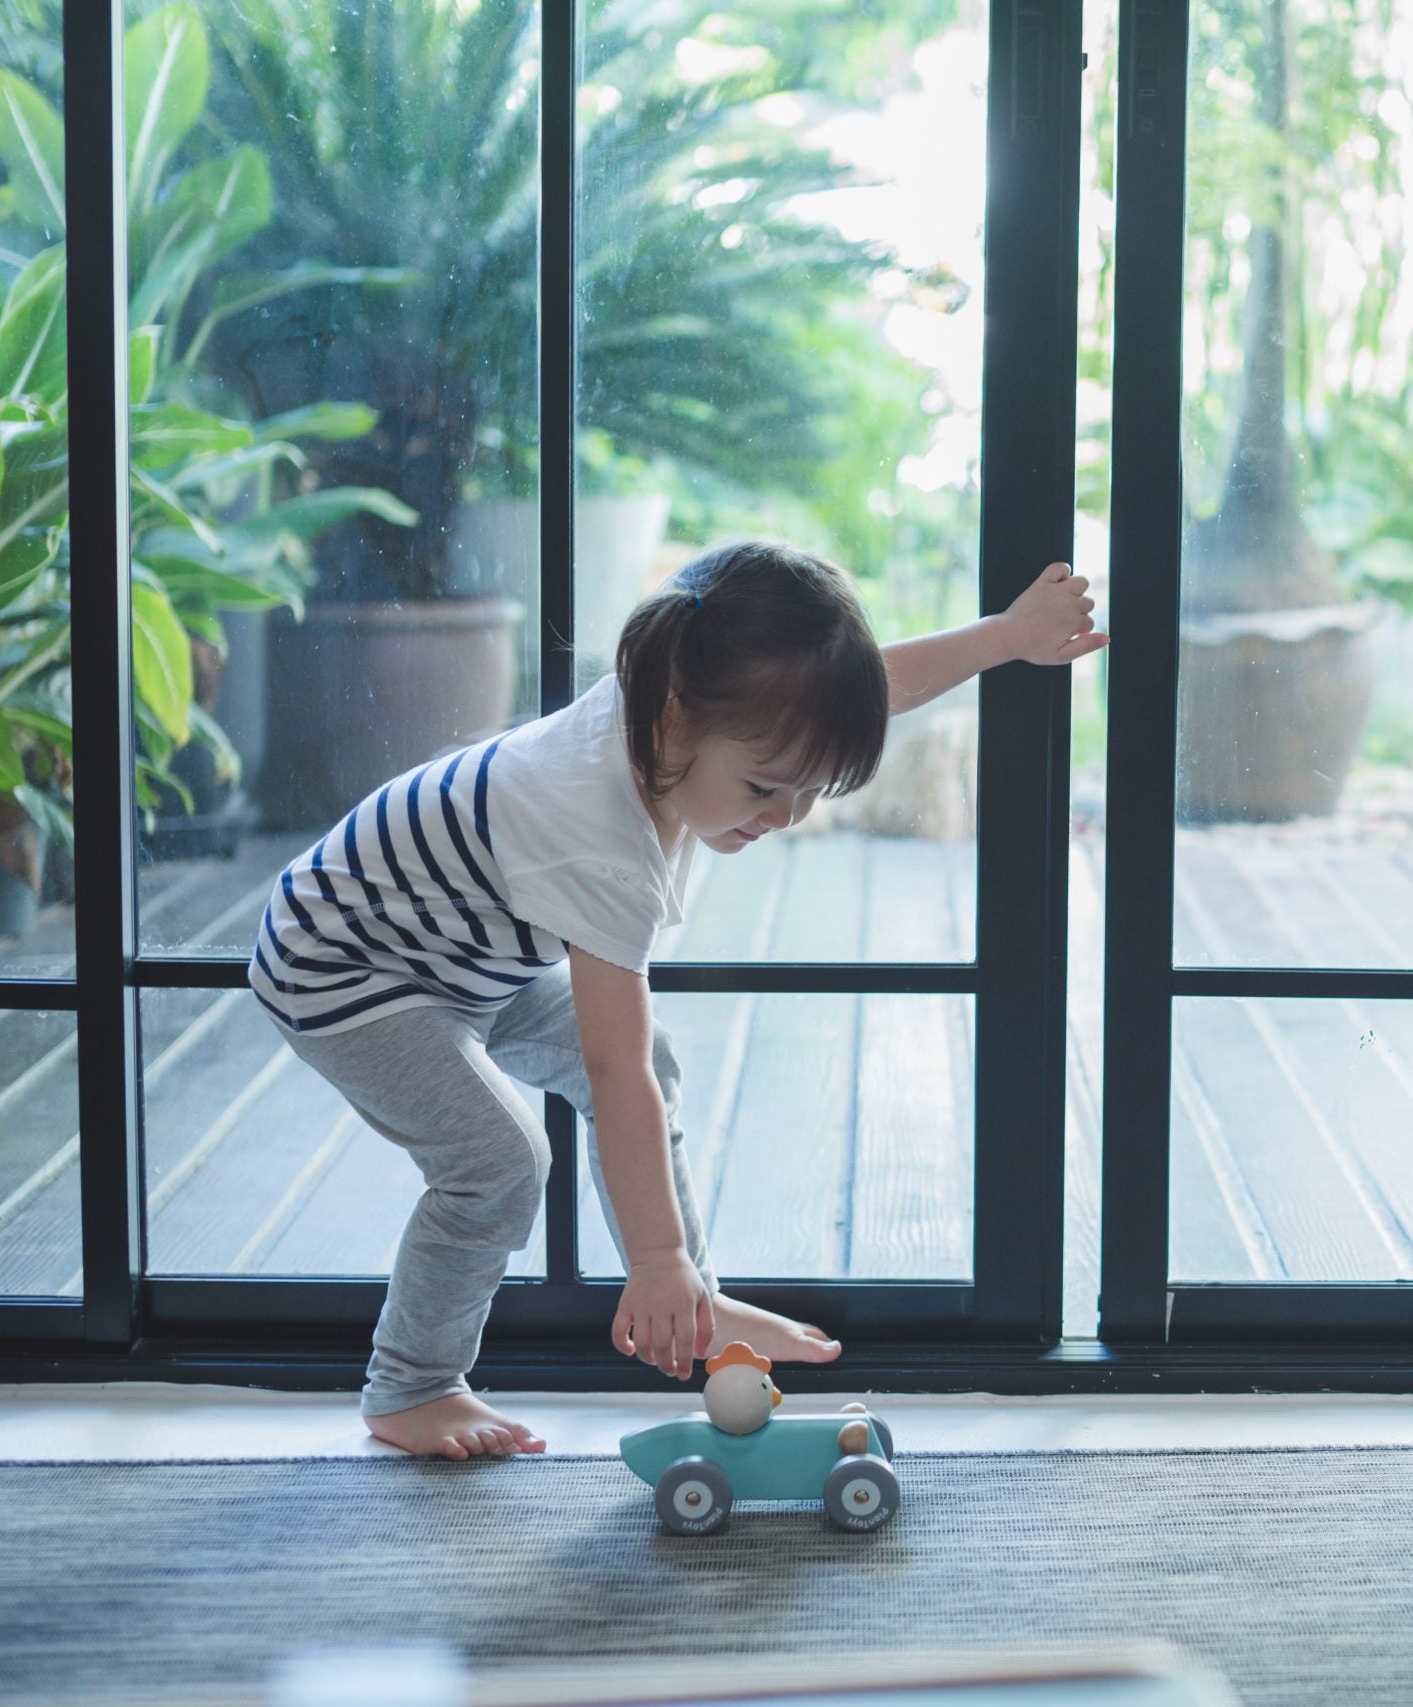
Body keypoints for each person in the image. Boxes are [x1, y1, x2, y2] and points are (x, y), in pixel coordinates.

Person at [249, 539, 1105, 1460]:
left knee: (649, 1062)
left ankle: (695, 1293)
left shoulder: (671, 697)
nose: (786, 815)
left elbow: (860, 688)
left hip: (469, 953)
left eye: (811, 790)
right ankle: (411, 1384)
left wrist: (1006, 637)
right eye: (767, 786)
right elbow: (613, 1078)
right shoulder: (596, 832)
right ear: (672, 721)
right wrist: (648, 1262)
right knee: (499, 1161)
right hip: (344, 961)